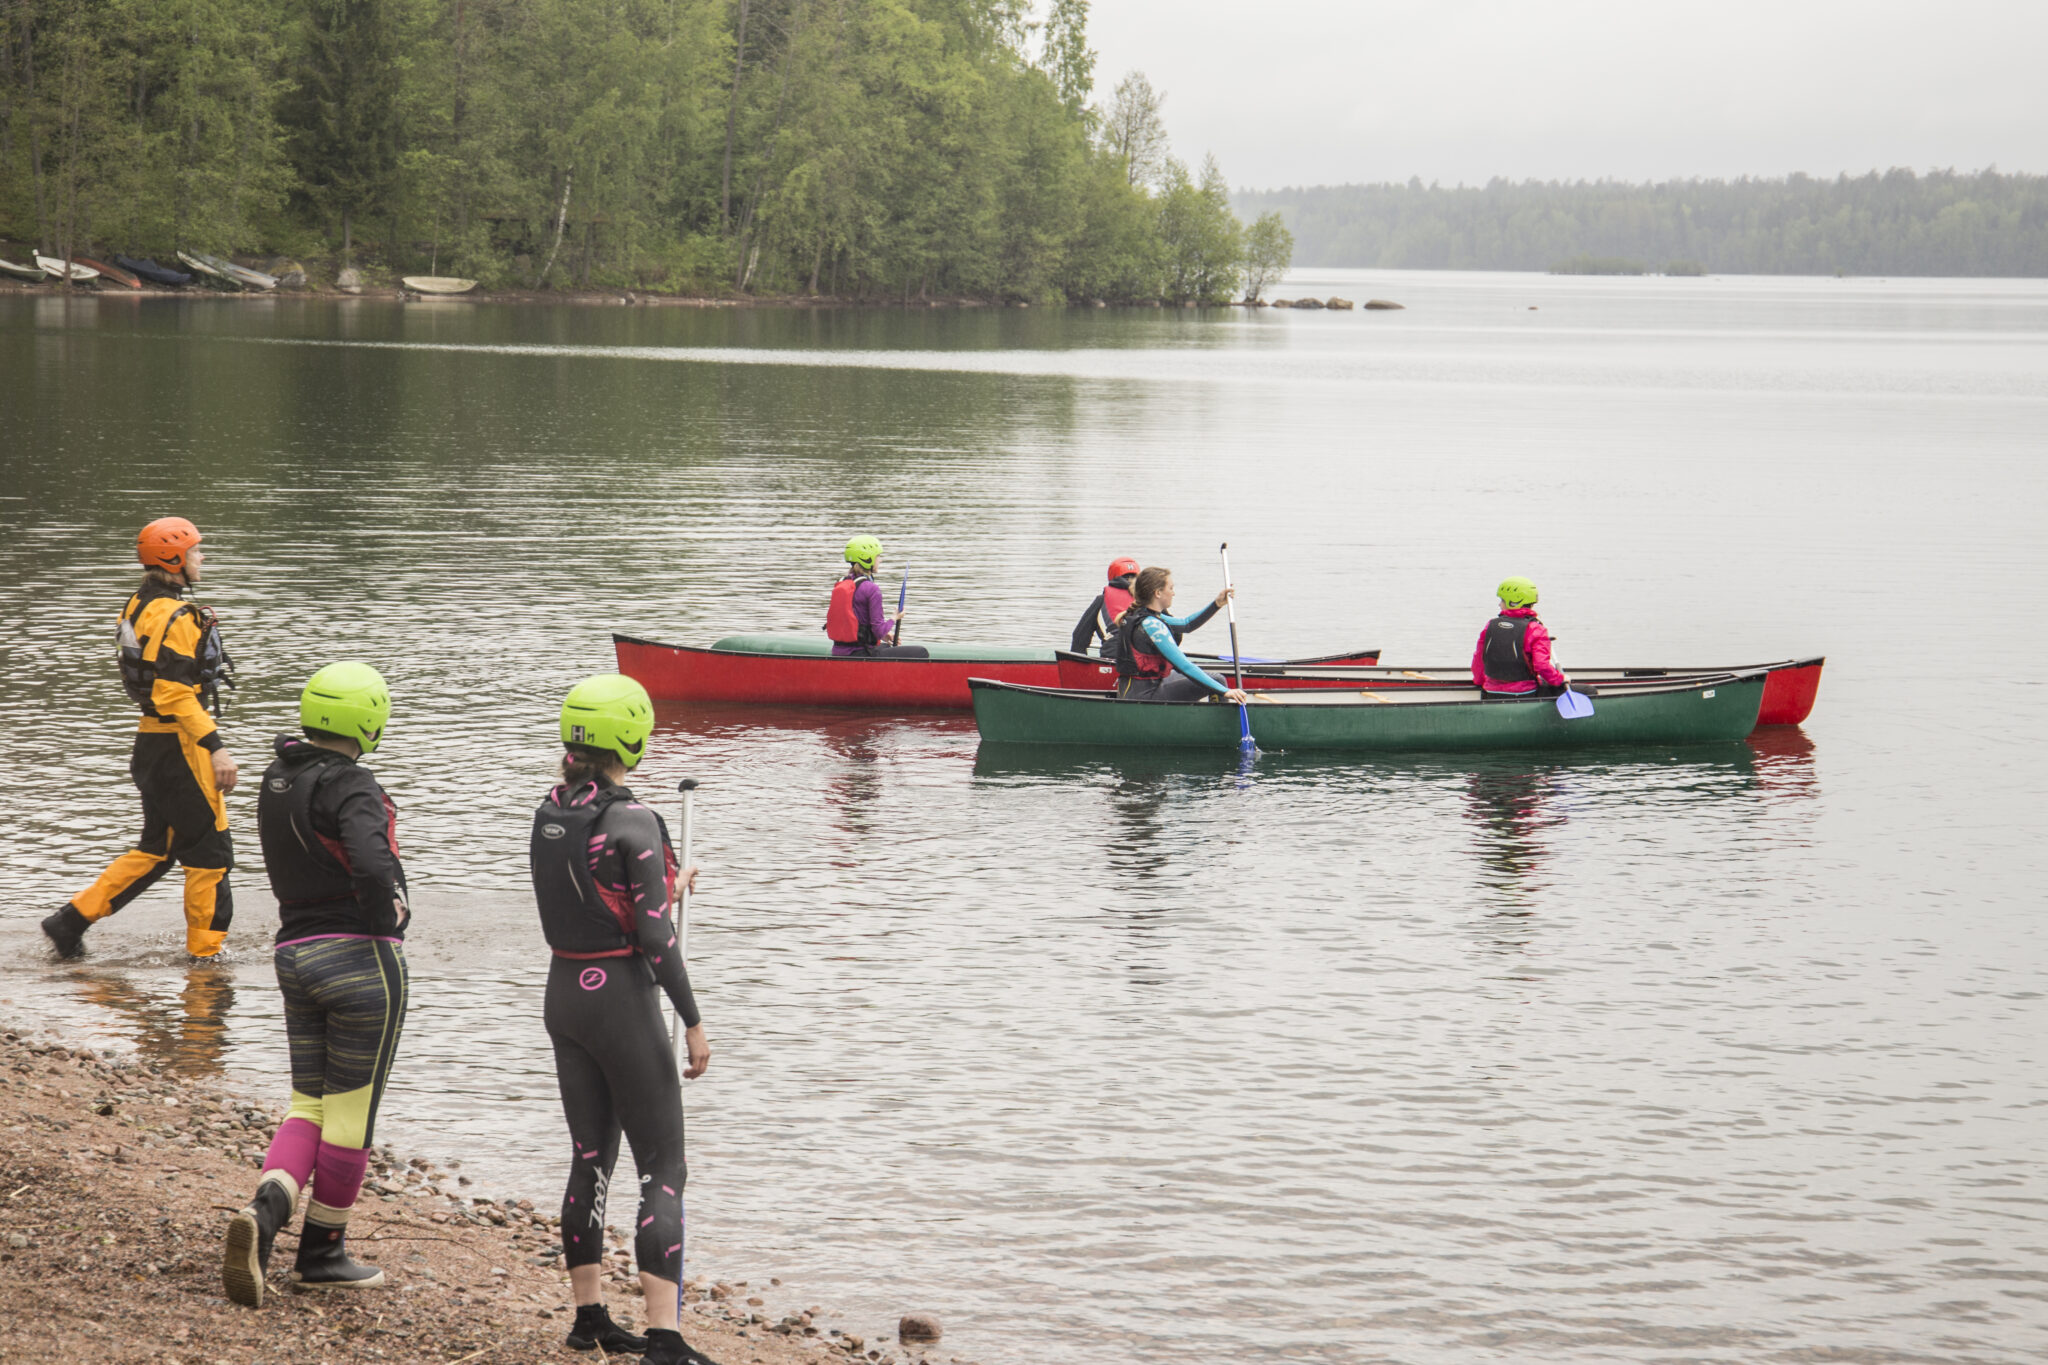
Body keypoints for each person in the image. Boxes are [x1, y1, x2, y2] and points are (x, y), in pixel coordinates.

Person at [531, 675, 721, 1365]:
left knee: (590, 1156)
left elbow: (594, 894)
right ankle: (664, 1338)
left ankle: (589, 1318)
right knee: (662, 1169)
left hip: (564, 994)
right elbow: (654, 938)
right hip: (619, 997)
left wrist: (666, 885)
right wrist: (693, 1020)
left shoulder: (550, 812)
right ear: (631, 739)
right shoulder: (635, 820)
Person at [223, 662, 409, 1307]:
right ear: (370, 720)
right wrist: (389, 915)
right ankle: (323, 1253)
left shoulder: (279, 776)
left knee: (309, 1103)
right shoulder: (353, 782)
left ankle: (266, 1211)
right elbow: (370, 857)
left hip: (293, 954)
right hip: (359, 960)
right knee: (350, 1114)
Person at [44, 517, 240, 960]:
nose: (201, 557)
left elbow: (156, 688)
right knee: (210, 853)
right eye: (195, 552)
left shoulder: (136, 605)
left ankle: (69, 922)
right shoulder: (179, 616)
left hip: (150, 746)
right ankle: (207, 962)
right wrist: (217, 748)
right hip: (181, 748)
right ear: (174, 560)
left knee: (159, 847)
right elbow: (174, 692)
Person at [1114, 567, 1251, 704]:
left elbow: (1186, 624)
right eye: (1171, 588)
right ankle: (1222, 725)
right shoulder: (1153, 626)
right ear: (1158, 593)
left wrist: (1217, 604)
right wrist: (1224, 691)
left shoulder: (1140, 614)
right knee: (1217, 681)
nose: (1173, 593)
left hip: (1133, 689)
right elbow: (1184, 666)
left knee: (1215, 680)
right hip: (1145, 696)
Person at [824, 535, 925, 658]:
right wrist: (895, 617)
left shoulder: (843, 583)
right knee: (921, 652)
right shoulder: (872, 589)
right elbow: (878, 631)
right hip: (860, 654)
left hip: (840, 651)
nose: (880, 560)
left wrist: (885, 636)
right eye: (878, 556)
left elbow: (860, 622)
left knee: (887, 646)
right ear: (867, 559)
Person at [1472, 576, 1569, 697]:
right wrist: (1560, 679)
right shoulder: (1536, 629)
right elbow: (1542, 666)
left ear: (1512, 602)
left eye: (1502, 600)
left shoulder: (1489, 626)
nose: (1499, 604)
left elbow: (1479, 659)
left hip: (1491, 692)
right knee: (1587, 691)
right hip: (1526, 693)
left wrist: (1479, 681)